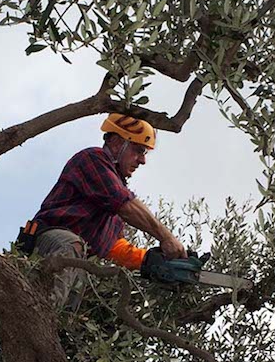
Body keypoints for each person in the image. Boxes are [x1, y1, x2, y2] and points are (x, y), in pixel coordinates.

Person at [19, 113, 187, 308]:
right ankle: (40, 315)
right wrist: (166, 238)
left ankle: (53, 329)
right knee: (72, 246)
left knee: (86, 296)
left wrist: (151, 260)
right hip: (47, 243)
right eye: (138, 150)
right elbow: (125, 204)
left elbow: (113, 247)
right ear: (116, 143)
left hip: (75, 260)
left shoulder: (113, 207)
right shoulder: (92, 159)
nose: (142, 160)